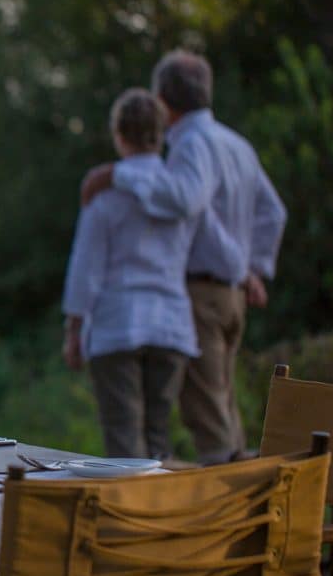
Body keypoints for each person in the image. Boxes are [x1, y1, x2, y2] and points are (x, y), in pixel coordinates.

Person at [80, 50, 287, 464]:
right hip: (231, 295)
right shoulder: (236, 144)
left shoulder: (192, 145)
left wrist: (115, 175)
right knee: (224, 407)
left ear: (162, 100)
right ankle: (248, 506)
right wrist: (253, 269)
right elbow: (273, 212)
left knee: (208, 418)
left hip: (200, 295)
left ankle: (230, 519)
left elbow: (184, 200)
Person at [62, 88, 203, 459]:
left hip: (117, 323)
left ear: (118, 135)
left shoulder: (103, 196)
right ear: (160, 135)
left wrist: (74, 329)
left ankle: (127, 516)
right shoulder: (183, 194)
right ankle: (159, 513)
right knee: (158, 436)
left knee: (123, 436)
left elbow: (86, 267)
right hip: (171, 323)